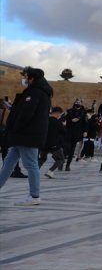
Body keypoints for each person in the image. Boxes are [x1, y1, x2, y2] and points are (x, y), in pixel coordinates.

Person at [0, 68, 52, 205]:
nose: (24, 79)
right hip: (23, 135)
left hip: (28, 135)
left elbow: (27, 114)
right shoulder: (37, 92)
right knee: (8, 162)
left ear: (32, 78)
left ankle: (34, 196)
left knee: (31, 164)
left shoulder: (35, 92)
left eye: (26, 77)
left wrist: (15, 127)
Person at [41, 106, 67, 177]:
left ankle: (35, 171)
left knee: (42, 159)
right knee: (60, 159)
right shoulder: (58, 122)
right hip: (54, 145)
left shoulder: (44, 120)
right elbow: (64, 132)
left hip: (43, 144)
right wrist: (64, 125)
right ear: (58, 113)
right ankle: (50, 171)